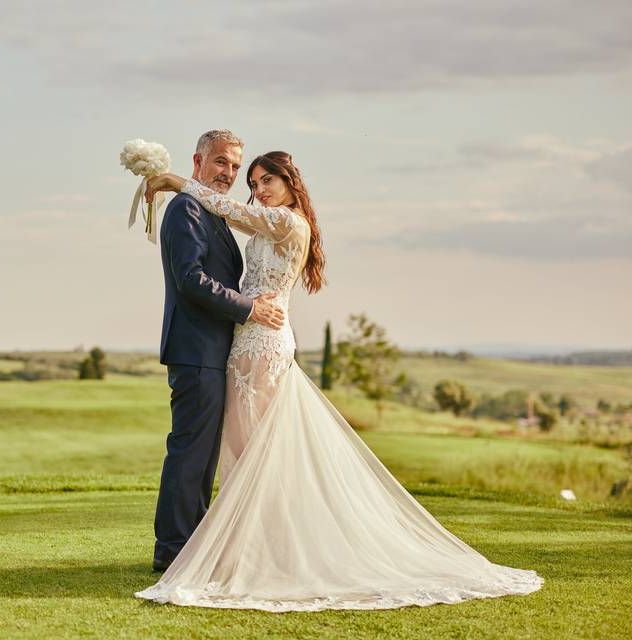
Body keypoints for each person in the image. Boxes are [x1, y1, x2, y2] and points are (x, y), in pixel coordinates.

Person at [135, 151, 544, 612]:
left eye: (269, 178)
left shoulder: (291, 224)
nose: (259, 187)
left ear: (292, 182)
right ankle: (245, 549)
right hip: (243, 345)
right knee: (244, 450)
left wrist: (175, 180)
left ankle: (278, 553)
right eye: (254, 181)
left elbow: (231, 209)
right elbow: (223, 214)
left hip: (264, 345)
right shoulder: (269, 221)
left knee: (262, 451)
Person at [152, 130, 285, 573]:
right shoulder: (185, 209)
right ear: (198, 160)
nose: (229, 174)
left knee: (205, 455)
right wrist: (250, 308)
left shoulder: (210, 211)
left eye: (234, 167)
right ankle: (172, 550)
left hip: (216, 351)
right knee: (190, 451)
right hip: (195, 350)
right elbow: (191, 280)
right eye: (221, 163)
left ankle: (192, 545)